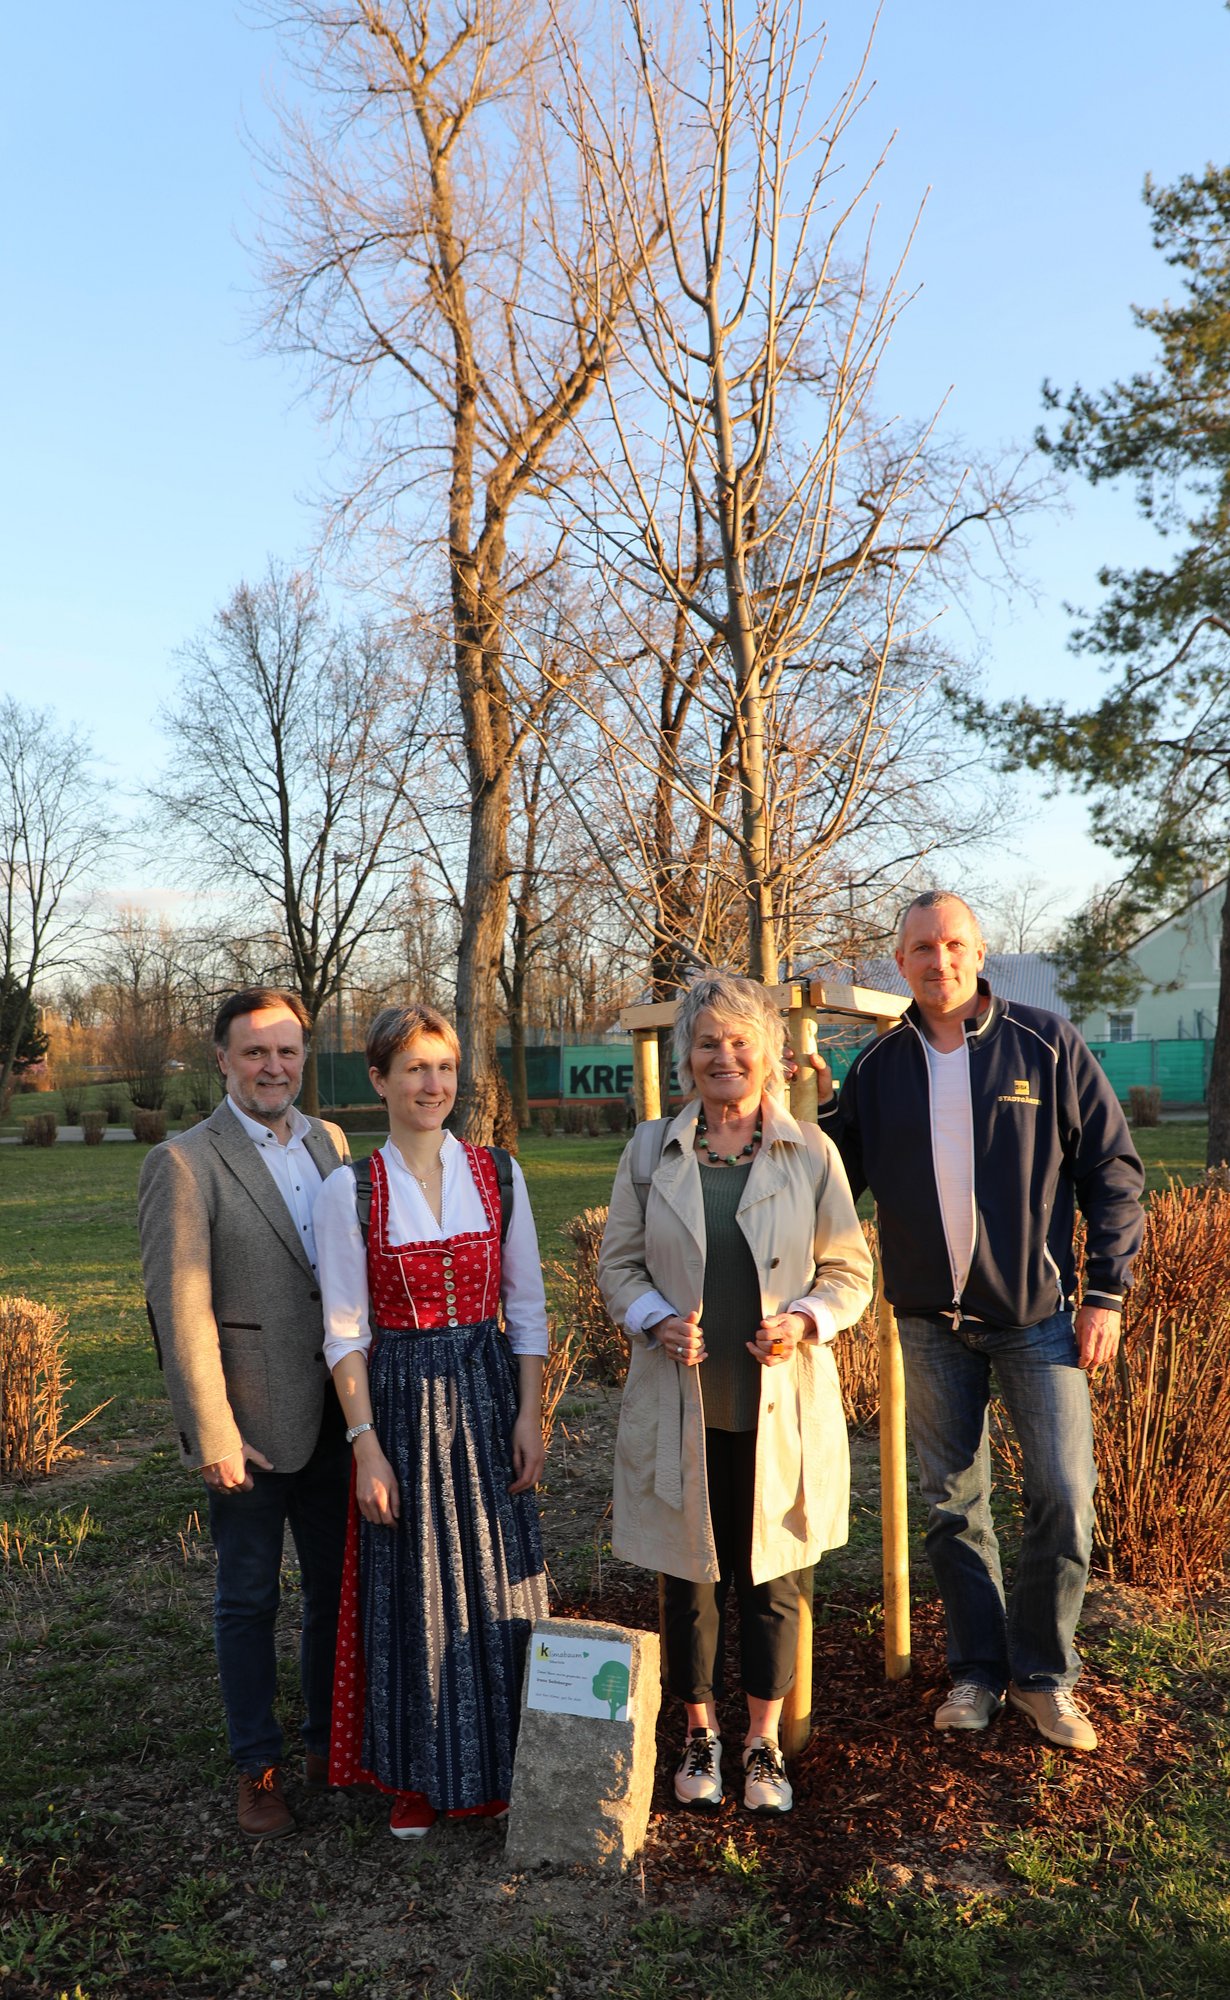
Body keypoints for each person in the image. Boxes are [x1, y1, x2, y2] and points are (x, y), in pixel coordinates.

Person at [814, 890, 1145, 1751]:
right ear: (901, 962)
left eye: (953, 943)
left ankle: (1043, 1675)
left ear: (979, 950)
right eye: (921, 948)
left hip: (1037, 1316)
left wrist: (1106, 1293)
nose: (939, 961)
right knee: (954, 1507)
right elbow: (828, 1182)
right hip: (928, 1322)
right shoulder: (880, 1067)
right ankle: (977, 1670)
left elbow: (1112, 1168)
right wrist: (815, 1113)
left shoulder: (1045, 1041)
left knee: (1065, 1500)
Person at [598, 971, 873, 1817]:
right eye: (708, 1041)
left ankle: (760, 1744)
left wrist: (803, 1321)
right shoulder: (651, 1150)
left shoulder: (810, 1152)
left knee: (776, 1577)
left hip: (778, 1406)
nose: (724, 1056)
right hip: (683, 1404)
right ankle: (699, 1731)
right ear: (685, 1058)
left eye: (740, 1041)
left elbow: (849, 1270)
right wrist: (652, 1319)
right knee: (689, 1579)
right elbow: (618, 1264)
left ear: (772, 1057)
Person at [314, 1003, 549, 1840]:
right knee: (414, 1585)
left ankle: (509, 1760)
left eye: (443, 1068)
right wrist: (366, 1446)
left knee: (496, 1574)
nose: (432, 1084)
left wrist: (529, 1411)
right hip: (404, 1402)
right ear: (378, 1080)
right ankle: (417, 1772)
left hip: (488, 1393)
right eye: (414, 1068)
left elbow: (525, 1307)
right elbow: (344, 1331)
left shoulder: (500, 1175)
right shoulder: (352, 1189)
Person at [138, 988, 351, 1839]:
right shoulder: (184, 1162)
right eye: (255, 1052)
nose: (273, 1067)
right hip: (251, 1427)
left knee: (338, 1593)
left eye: (288, 1052)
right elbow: (177, 1308)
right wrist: (213, 1434)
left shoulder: (331, 1143)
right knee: (248, 1600)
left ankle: (328, 1743)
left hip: (340, 1417)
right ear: (222, 1058)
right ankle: (256, 1768)